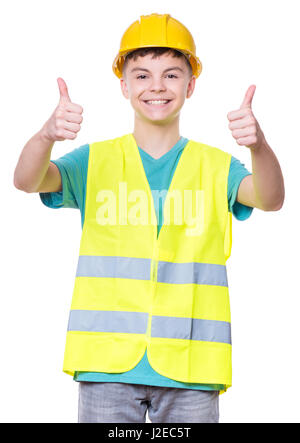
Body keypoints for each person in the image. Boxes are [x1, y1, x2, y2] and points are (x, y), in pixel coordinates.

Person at [14, 13, 285, 423]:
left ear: (190, 85)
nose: (156, 86)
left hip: (192, 366)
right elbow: (27, 180)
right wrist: (46, 136)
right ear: (123, 84)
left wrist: (259, 146)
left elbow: (271, 198)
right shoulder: (94, 161)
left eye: (171, 75)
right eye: (141, 75)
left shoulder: (215, 166)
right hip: (106, 365)